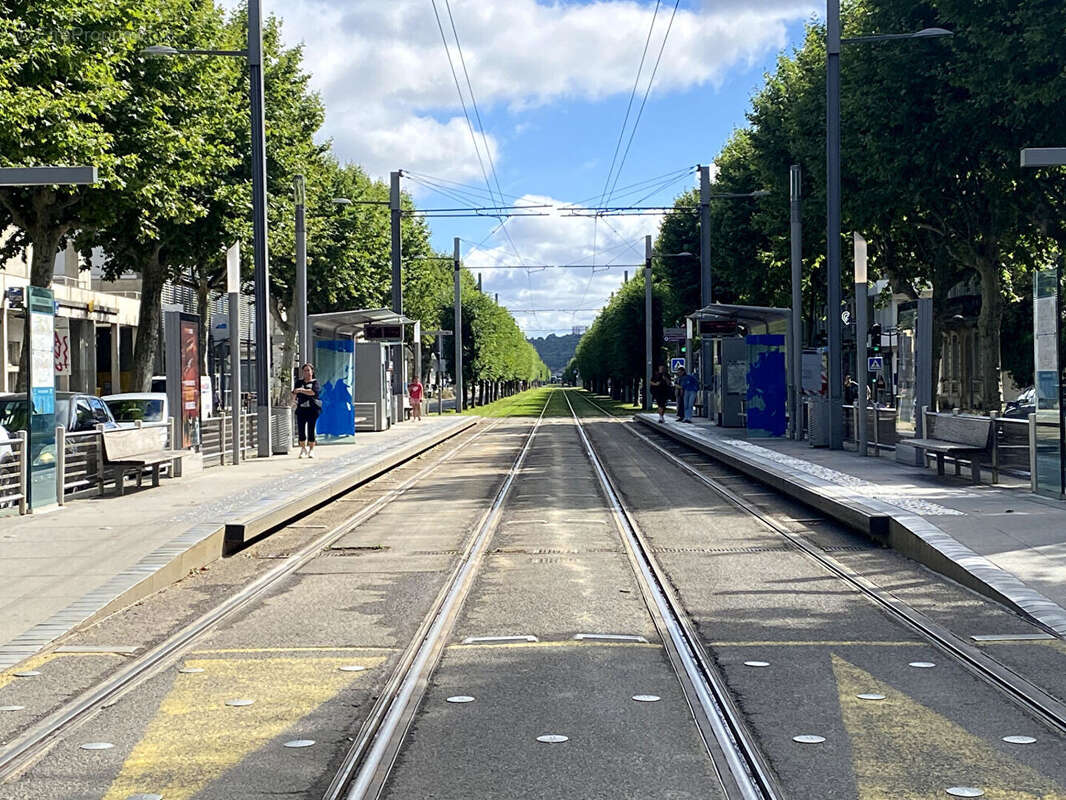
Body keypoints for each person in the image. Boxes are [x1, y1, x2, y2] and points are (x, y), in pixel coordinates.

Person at [292, 362, 322, 458]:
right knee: (301, 430)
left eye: (308, 370)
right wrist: (293, 401)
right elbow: (294, 392)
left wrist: (301, 390)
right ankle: (303, 448)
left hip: (312, 409)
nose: (306, 373)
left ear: (312, 371)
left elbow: (313, 392)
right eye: (305, 371)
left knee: (311, 429)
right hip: (302, 409)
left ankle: (312, 449)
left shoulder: (315, 382)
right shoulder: (299, 382)